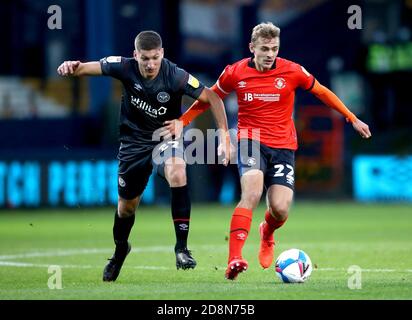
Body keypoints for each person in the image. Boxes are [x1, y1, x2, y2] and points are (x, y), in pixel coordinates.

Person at [162, 22, 371, 280]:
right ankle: (234, 259)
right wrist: (182, 121)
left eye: (274, 48)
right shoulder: (234, 73)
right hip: (251, 139)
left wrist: (352, 118)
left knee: (280, 209)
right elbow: (209, 98)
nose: (270, 54)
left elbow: (322, 92)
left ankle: (267, 232)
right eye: (264, 48)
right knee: (251, 193)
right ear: (252, 48)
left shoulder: (292, 71)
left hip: (283, 145)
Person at [57, 30, 230, 281]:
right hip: (132, 145)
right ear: (135, 54)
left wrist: (223, 136)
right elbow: (85, 68)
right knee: (126, 209)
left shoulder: (176, 75)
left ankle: (181, 248)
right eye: (145, 58)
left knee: (177, 168)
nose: (150, 64)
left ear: (162, 54)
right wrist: (72, 66)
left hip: (163, 140)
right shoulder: (124, 67)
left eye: (154, 58)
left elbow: (212, 96)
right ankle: (119, 251)